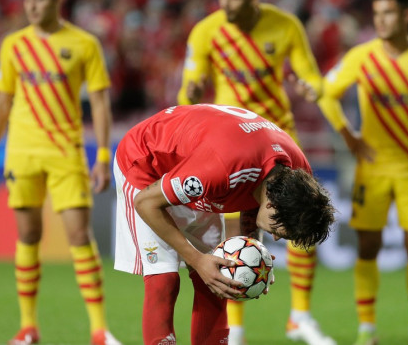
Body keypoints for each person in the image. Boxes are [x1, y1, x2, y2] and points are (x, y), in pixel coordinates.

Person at [177, 0, 333, 345]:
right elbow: (187, 93)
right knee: (237, 239)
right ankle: (237, 328)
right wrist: (192, 95)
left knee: (299, 224)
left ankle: (300, 318)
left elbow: (308, 72)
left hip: (280, 142)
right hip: (234, 148)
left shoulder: (284, 25)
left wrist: (313, 88)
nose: (225, 4)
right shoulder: (206, 31)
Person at [0, 0, 120, 345]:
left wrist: (103, 156)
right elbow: (1, 103)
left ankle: (99, 330)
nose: (31, 5)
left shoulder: (85, 44)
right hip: (22, 151)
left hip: (66, 152)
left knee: (78, 234)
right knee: (27, 234)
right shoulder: (13, 45)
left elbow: (101, 104)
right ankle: (28, 327)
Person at [112, 103, 336, 345]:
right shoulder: (220, 170)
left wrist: (252, 257)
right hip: (148, 166)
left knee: (219, 276)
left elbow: (256, 191)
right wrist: (196, 258)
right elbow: (146, 203)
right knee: (164, 278)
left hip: (200, 163)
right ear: (272, 206)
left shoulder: (298, 177)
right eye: (279, 231)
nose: (278, 239)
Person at [317, 0, 408, 345]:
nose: (381, 20)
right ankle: (366, 329)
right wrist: (348, 135)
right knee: (367, 246)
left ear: (407, 15)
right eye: (376, 14)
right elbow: (326, 94)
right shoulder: (361, 56)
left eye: (388, 13)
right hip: (373, 167)